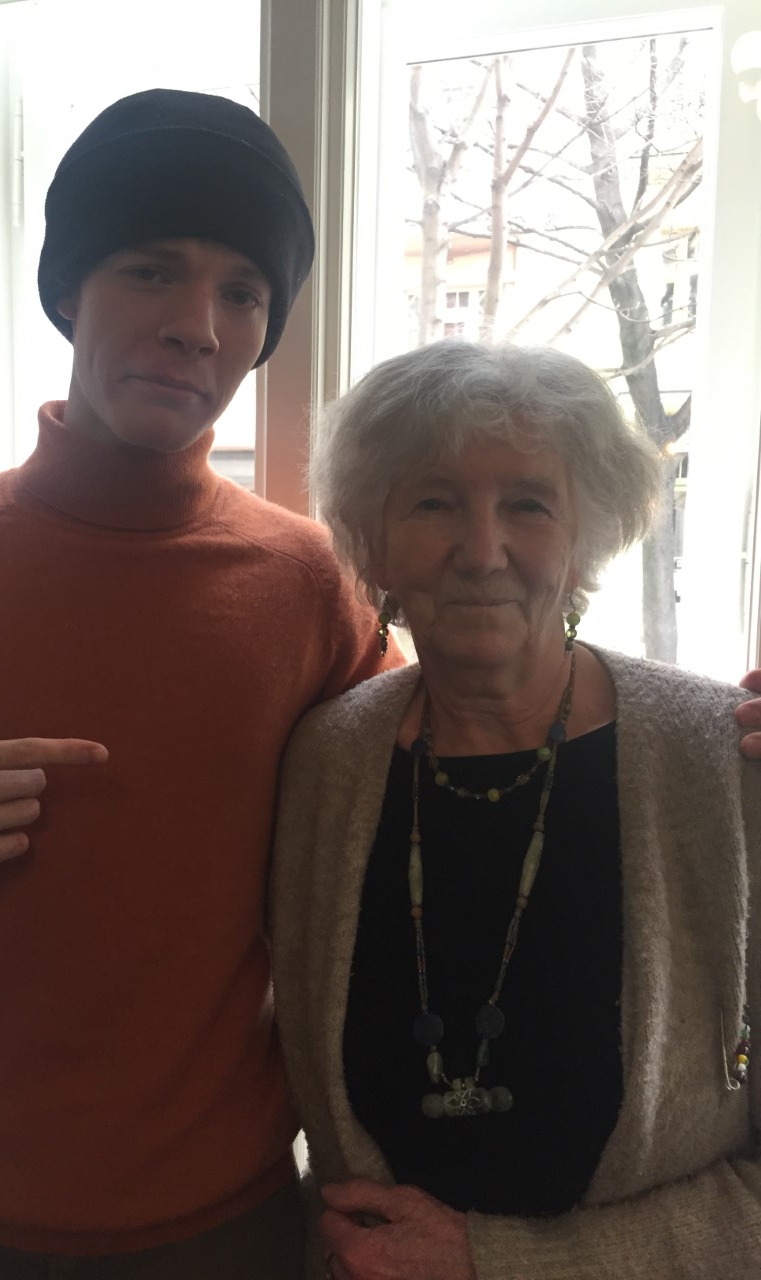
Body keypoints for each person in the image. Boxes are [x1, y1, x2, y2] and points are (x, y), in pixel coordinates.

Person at [0, 89, 400, 1279]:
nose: (198, 326)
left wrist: (718, 732)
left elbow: (457, 787)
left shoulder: (307, 585)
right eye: (151, 269)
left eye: (243, 292)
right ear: (70, 287)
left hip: (213, 1235)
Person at [270, 339, 761, 1279]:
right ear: (374, 540)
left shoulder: (724, 761)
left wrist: (500, 1261)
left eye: (529, 504)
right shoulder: (327, 763)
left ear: (585, 539)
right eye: (434, 502)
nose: (482, 550)